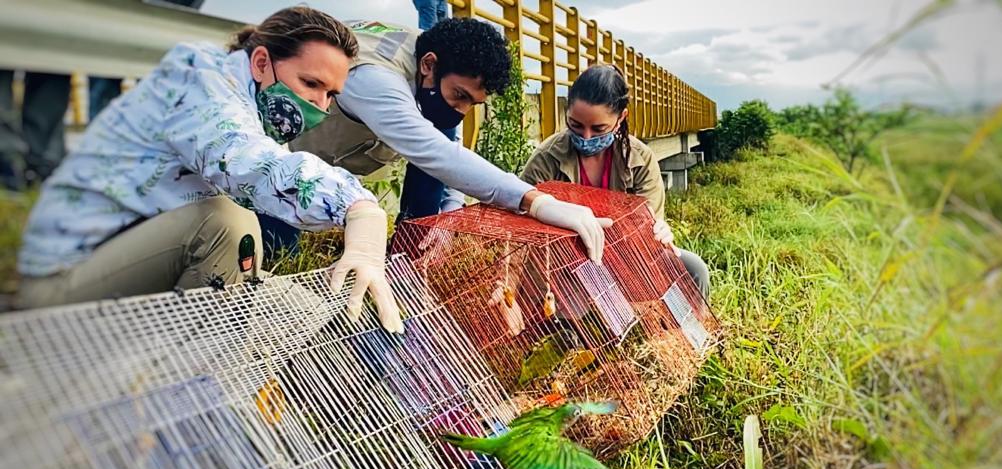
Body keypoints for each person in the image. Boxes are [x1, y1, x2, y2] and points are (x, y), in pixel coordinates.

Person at [15, 7, 404, 333]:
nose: (320, 104)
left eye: (330, 94)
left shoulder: (252, 100)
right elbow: (246, 162)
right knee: (225, 225)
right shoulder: (200, 86)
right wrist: (357, 205)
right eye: (311, 83)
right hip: (60, 284)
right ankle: (160, 387)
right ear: (262, 62)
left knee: (309, 315)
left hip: (124, 256)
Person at [289, 18, 612, 264]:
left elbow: (449, 153)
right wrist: (538, 202)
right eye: (460, 96)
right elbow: (434, 152)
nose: (461, 110)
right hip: (281, 148)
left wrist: (448, 214)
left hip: (331, 149)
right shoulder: (373, 78)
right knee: (277, 238)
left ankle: (409, 257)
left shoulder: (439, 60)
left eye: (472, 103)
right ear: (428, 64)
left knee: (437, 139)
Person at [521, 65, 710, 297]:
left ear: (621, 118)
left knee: (694, 269)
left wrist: (658, 230)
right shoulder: (546, 158)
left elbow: (647, 228)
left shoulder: (639, 159)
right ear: (566, 113)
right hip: (564, 263)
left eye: (598, 129)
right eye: (576, 125)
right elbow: (520, 221)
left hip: (627, 256)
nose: (586, 137)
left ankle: (680, 332)